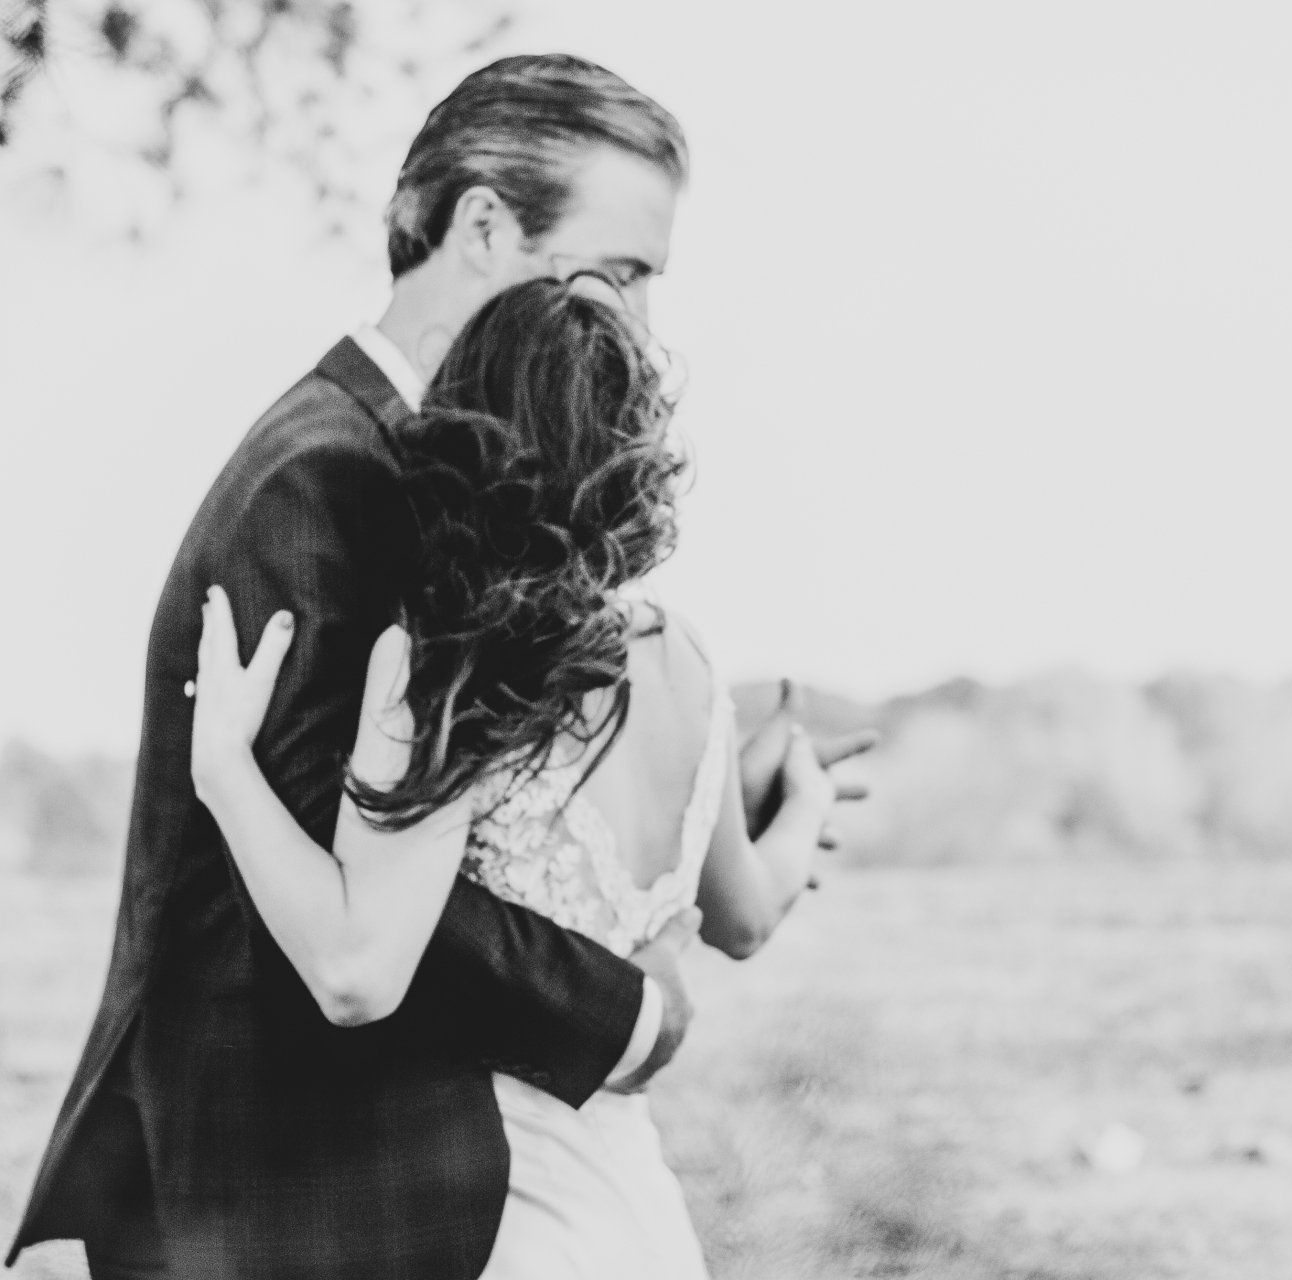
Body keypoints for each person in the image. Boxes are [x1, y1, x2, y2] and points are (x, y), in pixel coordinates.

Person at [5, 54, 866, 1280]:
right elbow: (352, 876)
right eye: (619, 271)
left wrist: (701, 782)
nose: (635, 322)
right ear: (480, 225)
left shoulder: (430, 473)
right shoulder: (326, 479)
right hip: (292, 1186)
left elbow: (474, 782)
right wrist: (627, 1008)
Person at [186, 274, 854, 1278]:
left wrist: (226, 770)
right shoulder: (691, 662)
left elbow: (356, 972)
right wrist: (805, 800)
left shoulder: (453, 661)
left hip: (497, 1217)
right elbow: (747, 916)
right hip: (642, 1219)